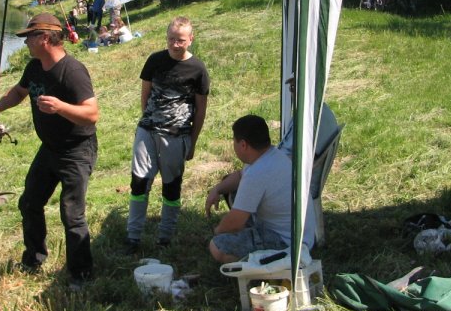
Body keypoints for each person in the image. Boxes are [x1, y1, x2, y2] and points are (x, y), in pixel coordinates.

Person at [0, 13, 99, 288]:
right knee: (29, 202)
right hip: (49, 149)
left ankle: (81, 274)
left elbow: (92, 114)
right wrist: (0, 106)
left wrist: (61, 107)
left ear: (45, 38)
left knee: (72, 214)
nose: (25, 42)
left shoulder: (72, 71)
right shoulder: (35, 66)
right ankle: (34, 258)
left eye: (29, 37)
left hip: (76, 150)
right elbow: (19, 92)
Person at [125, 16, 210, 252]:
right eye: (171, 39)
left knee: (171, 185)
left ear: (190, 39)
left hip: (176, 135)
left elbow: (201, 109)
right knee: (139, 182)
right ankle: (133, 237)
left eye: (180, 40)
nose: (175, 44)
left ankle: (165, 237)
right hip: (148, 131)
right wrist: (148, 121)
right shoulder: (154, 60)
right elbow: (145, 94)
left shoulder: (198, 69)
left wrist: (192, 142)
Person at [205, 114, 315, 264]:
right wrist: (217, 189)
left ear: (243, 145)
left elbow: (235, 222)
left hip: (287, 243)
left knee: (218, 246)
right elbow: (238, 176)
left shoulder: (258, 173)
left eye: (234, 141)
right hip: (300, 234)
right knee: (231, 187)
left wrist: (217, 232)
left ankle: (260, 267)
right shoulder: (273, 155)